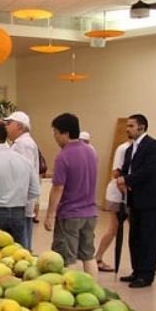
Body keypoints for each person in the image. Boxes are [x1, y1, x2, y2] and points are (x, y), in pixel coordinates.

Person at [44, 113, 98, 280]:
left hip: (70, 215)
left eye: (56, 133)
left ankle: (72, 293)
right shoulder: (91, 152)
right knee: (89, 255)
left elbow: (58, 188)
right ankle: (93, 289)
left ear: (65, 133)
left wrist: (50, 215)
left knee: (68, 258)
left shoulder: (63, 156)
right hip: (90, 213)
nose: (55, 137)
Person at [118, 114, 156, 288]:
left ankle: (146, 275)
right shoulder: (130, 149)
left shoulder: (153, 146)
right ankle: (137, 270)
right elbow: (125, 169)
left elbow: (148, 170)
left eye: (131, 126)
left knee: (148, 238)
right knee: (135, 237)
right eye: (127, 126)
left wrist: (127, 180)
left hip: (151, 201)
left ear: (142, 127)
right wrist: (122, 178)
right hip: (135, 200)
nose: (127, 129)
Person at [4, 111, 40, 250]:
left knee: (21, 244)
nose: (6, 127)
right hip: (19, 200)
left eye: (9, 124)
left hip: (20, 202)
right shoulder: (18, 143)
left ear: (19, 126)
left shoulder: (23, 144)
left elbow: (24, 174)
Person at [95, 140, 130, 272]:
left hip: (130, 195)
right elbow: (116, 173)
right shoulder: (123, 148)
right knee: (113, 228)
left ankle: (146, 261)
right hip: (118, 195)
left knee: (138, 230)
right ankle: (98, 258)